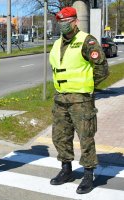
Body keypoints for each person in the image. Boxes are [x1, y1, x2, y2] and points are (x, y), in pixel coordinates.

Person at [49, 7, 109, 194]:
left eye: (66, 22)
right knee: (60, 136)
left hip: (81, 100)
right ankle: (66, 169)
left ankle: (88, 175)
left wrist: (87, 88)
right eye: (60, 22)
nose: (63, 26)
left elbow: (102, 69)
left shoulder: (87, 41)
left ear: (75, 21)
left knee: (85, 138)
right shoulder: (57, 43)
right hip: (60, 98)